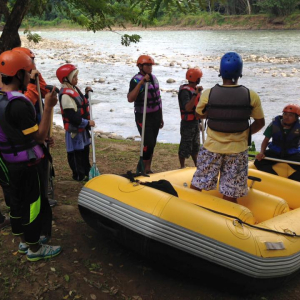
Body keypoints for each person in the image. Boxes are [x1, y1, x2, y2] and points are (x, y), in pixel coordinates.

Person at [0, 50, 61, 261]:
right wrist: (48, 108)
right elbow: (39, 136)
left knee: (16, 203)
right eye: (27, 73)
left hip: (7, 164)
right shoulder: (19, 104)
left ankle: (24, 242)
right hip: (26, 165)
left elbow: (14, 132)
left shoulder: (2, 99)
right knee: (33, 204)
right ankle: (35, 248)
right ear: (18, 75)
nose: (30, 77)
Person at [191, 52, 265, 203]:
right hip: (237, 150)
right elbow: (260, 123)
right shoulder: (251, 95)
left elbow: (199, 114)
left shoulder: (208, 94)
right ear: (240, 73)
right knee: (232, 190)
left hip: (211, 147)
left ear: (220, 72)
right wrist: (245, 133)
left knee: (199, 182)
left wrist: (216, 115)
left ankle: (188, 210)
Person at [12, 47, 57, 207]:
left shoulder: (31, 77)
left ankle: (43, 195)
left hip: (37, 128)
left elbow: (43, 90)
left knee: (43, 165)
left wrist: (36, 76)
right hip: (25, 139)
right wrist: (31, 83)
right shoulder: (12, 88)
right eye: (30, 62)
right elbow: (25, 102)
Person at [56, 64, 95, 181]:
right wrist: (87, 123)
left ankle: (87, 171)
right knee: (76, 153)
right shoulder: (65, 95)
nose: (77, 79)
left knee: (84, 151)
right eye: (74, 77)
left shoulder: (74, 89)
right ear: (66, 79)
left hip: (81, 129)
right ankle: (78, 175)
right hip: (74, 131)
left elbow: (81, 103)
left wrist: (87, 94)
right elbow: (72, 116)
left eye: (77, 77)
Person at [127, 55, 164, 174]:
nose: (150, 67)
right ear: (140, 66)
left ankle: (148, 168)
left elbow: (158, 98)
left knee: (152, 142)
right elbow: (130, 98)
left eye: (150, 65)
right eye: (147, 65)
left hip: (155, 115)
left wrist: (161, 117)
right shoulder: (136, 80)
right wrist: (141, 83)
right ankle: (142, 167)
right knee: (148, 142)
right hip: (143, 116)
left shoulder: (154, 78)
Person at [254, 104, 300, 181]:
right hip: (275, 151)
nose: (286, 117)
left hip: (292, 153)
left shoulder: (298, 127)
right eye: (285, 114)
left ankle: (290, 182)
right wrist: (262, 152)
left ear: (296, 118)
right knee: (259, 162)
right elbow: (266, 140)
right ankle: (275, 179)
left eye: (290, 115)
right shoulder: (274, 124)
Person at [178, 68, 203, 168]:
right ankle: (182, 167)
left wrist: (200, 121)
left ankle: (197, 166)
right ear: (197, 79)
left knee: (196, 146)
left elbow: (198, 107)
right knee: (185, 146)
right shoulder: (185, 92)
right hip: (187, 123)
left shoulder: (194, 90)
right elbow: (187, 108)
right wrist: (196, 94)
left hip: (195, 122)